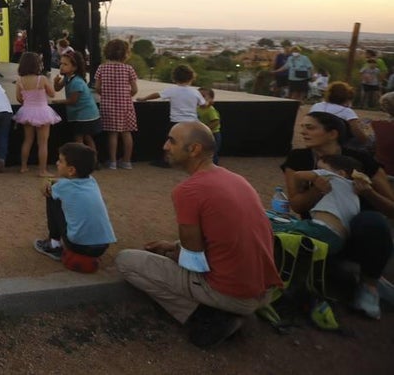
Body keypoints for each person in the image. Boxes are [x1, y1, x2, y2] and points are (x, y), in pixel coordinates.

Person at [117, 123, 281, 348]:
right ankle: (222, 311)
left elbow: (193, 259)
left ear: (194, 149)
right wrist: (173, 245)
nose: (165, 146)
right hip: (262, 289)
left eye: (172, 141)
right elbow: (220, 235)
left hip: (233, 294)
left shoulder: (188, 191)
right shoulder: (236, 179)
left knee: (126, 261)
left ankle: (207, 318)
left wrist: (174, 253)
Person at [281, 111, 394, 319]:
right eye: (303, 126)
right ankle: (361, 273)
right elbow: (297, 205)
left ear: (332, 133)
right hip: (321, 231)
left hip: (361, 235)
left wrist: (369, 192)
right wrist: (317, 190)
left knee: (373, 221)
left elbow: (391, 208)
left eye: (310, 127)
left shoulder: (361, 160)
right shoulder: (299, 158)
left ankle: (369, 286)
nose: (303, 131)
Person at [32, 142, 117, 271]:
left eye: (60, 161)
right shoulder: (92, 181)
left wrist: (49, 181)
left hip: (78, 245)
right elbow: (66, 182)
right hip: (102, 246)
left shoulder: (61, 187)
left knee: (51, 196)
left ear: (71, 170)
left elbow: (47, 188)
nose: (57, 163)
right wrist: (54, 180)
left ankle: (53, 244)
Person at [274, 154, 362, 256]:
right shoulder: (354, 191)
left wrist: (314, 179)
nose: (317, 171)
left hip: (319, 229)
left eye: (320, 169)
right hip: (338, 241)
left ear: (341, 173)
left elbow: (297, 175)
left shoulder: (332, 176)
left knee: (278, 231)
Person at [61, 0, 109, 82]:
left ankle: (95, 78)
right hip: (78, 17)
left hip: (90, 15)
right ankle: (80, 76)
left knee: (93, 47)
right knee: (78, 47)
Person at [14, 52, 62, 177]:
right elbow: (52, 94)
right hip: (42, 111)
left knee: (27, 140)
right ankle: (42, 170)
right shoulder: (42, 79)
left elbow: (19, 98)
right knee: (43, 143)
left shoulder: (20, 80)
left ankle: (23, 167)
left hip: (27, 111)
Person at [94, 39, 139, 171]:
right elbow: (135, 89)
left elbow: (97, 87)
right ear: (125, 53)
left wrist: (106, 94)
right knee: (126, 133)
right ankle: (127, 161)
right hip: (125, 105)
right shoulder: (128, 68)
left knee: (112, 134)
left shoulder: (102, 68)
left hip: (108, 104)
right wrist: (126, 96)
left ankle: (112, 162)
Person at [54, 50, 100, 160]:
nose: (61, 66)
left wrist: (59, 102)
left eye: (65, 64)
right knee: (87, 137)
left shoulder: (77, 82)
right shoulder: (67, 78)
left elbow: (73, 100)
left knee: (79, 139)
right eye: (61, 63)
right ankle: (92, 160)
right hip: (81, 114)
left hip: (85, 116)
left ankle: (84, 160)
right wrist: (56, 82)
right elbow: (57, 88)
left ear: (74, 67)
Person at [10, 0, 53, 72]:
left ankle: (46, 67)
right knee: (31, 42)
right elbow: (26, 2)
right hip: (31, 18)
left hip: (42, 18)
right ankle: (32, 66)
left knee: (44, 42)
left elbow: (46, 2)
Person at [197, 88, 221, 165]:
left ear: (211, 99)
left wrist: (206, 129)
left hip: (212, 134)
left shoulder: (210, 110)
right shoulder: (197, 108)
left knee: (212, 152)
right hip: (202, 134)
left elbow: (216, 122)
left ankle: (213, 167)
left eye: (203, 96)